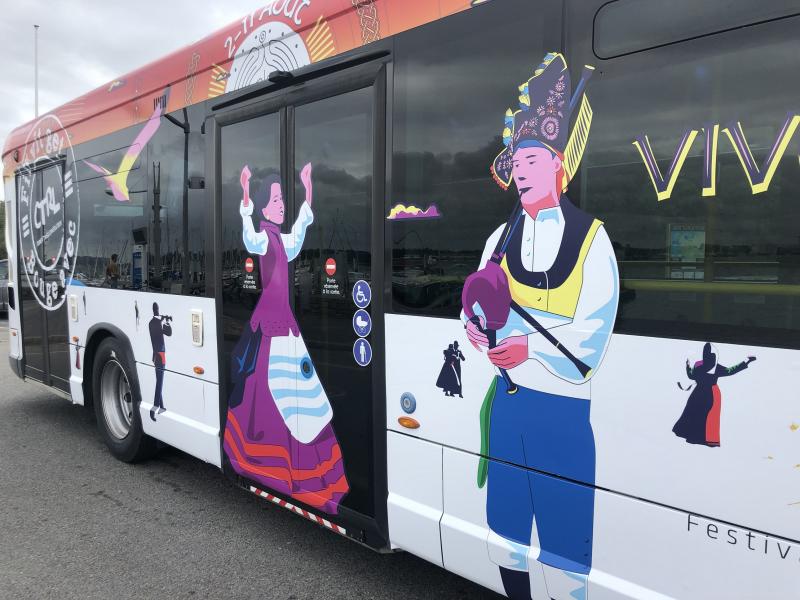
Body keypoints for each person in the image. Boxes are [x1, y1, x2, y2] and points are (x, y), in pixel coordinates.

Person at [463, 53, 619, 600]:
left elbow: (592, 340)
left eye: (533, 157)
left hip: (563, 416)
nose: (521, 169)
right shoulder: (498, 239)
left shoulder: (593, 239)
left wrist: (530, 347)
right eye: (516, 159)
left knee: (564, 548)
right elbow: (475, 305)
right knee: (505, 532)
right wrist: (478, 332)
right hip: (509, 408)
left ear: (559, 165)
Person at [223, 163, 349, 515]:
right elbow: (248, 238)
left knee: (293, 392)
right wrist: (245, 193)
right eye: (277, 199)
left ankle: (299, 469)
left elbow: (299, 233)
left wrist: (308, 190)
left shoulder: (280, 239)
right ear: (264, 207)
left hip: (286, 326)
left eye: (282, 199)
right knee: (274, 393)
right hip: (273, 326)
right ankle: (282, 467)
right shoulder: (263, 238)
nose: (281, 205)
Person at [673, 343, 756, 447]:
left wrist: (687, 365)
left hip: (697, 394)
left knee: (693, 414)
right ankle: (699, 438)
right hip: (709, 395)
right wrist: (746, 361)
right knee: (703, 417)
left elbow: (691, 375)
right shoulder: (716, 367)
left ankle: (689, 435)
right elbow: (730, 371)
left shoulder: (699, 364)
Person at [149, 302, 172, 421]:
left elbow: (167, 333)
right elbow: (167, 333)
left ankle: (162, 407)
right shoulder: (156, 323)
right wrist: (164, 321)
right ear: (156, 310)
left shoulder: (151, 322)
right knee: (160, 382)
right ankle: (154, 408)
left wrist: (165, 322)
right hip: (160, 355)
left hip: (155, 355)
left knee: (159, 379)